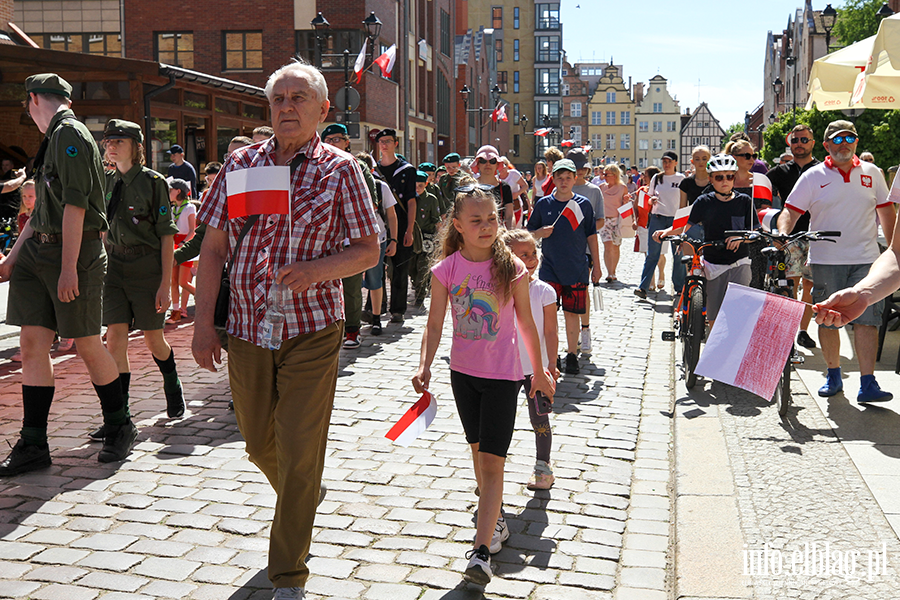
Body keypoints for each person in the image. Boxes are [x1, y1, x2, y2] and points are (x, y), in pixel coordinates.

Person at [192, 59, 380, 600]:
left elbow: (368, 250)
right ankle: (304, 492)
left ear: (323, 110)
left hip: (312, 329)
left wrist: (317, 271)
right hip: (249, 328)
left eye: (300, 98)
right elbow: (213, 249)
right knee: (257, 443)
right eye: (279, 99)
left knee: (299, 447)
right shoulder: (243, 164)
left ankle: (289, 574)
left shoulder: (341, 170)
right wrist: (205, 325)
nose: (287, 107)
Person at [411, 184, 554, 586]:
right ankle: (497, 519)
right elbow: (435, 323)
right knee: (478, 458)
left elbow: (527, 322)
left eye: (492, 218)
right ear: (458, 225)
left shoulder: (511, 267)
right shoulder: (447, 269)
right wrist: (425, 365)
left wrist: (539, 371)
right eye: (476, 220)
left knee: (493, 463)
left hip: (502, 377)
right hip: (463, 376)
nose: (487, 225)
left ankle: (480, 552)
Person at [0, 73, 131, 475]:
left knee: (88, 343)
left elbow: (76, 206)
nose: (29, 114)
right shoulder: (53, 137)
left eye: (28, 106)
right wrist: (12, 258)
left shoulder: (69, 133)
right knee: (32, 343)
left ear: (34, 98)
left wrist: (70, 268)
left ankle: (119, 424)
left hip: (72, 253)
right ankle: (34, 442)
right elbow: (42, 210)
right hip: (40, 251)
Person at [777, 120, 895, 404]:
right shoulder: (813, 176)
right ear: (827, 144)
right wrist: (782, 233)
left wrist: (894, 251)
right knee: (828, 320)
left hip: (867, 261)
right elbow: (790, 212)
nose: (844, 143)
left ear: (856, 142)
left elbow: (887, 212)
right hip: (826, 260)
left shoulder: (872, 173)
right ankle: (833, 375)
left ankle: (868, 383)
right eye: (838, 138)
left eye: (850, 138)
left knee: (868, 321)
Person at [97, 119, 184, 433]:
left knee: (153, 339)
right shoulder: (106, 180)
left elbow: (165, 236)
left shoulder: (153, 181)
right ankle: (120, 417)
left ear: (136, 147)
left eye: (118, 140)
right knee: (114, 339)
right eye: (108, 140)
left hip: (146, 268)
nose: (111, 145)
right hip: (114, 267)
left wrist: (165, 284)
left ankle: (172, 385)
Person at [653, 154, 755, 325]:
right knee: (713, 316)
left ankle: (734, 348)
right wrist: (666, 231)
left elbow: (754, 232)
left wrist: (742, 238)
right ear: (711, 179)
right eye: (719, 177)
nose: (725, 181)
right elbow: (685, 224)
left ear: (734, 178)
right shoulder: (704, 201)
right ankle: (715, 349)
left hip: (740, 262)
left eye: (729, 176)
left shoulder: (744, 201)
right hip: (714, 263)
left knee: (738, 313)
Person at [527, 159, 602, 375]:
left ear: (574, 179)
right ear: (553, 178)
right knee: (548, 314)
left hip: (576, 267)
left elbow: (591, 236)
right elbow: (528, 233)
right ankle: (552, 356)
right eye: (559, 177)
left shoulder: (583, 204)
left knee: (572, 313)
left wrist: (597, 265)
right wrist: (540, 233)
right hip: (550, 268)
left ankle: (571, 354)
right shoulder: (543, 204)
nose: (564, 181)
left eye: (568, 177)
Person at [505, 229, 560, 490]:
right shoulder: (500, 291)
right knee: (500, 421)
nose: (531, 259)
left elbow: (551, 331)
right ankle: (492, 471)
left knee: (540, 419)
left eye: (533, 254)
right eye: (523, 254)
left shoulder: (544, 292)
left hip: (534, 371)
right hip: (503, 369)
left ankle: (543, 467)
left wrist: (551, 365)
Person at [321, 123, 378, 349]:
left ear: (347, 142)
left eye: (338, 139)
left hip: (350, 237)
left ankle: (352, 331)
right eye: (329, 139)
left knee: (351, 286)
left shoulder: (359, 167)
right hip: (323, 238)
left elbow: (370, 204)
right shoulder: (317, 165)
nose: (333, 143)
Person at [767, 125, 820, 349]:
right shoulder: (779, 172)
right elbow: (760, 195)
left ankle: (803, 331)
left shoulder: (822, 169)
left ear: (812, 143)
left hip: (818, 235)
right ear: (790, 143)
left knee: (809, 286)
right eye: (795, 140)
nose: (799, 143)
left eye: (804, 140)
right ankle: (787, 333)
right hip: (790, 236)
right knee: (790, 285)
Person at [375, 129, 417, 324]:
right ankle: (377, 307)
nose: (384, 145)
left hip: (400, 224)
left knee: (400, 268)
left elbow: (411, 201)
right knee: (377, 268)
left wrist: (409, 229)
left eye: (388, 141)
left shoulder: (407, 170)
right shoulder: (373, 170)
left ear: (395, 144)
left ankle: (398, 310)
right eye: (381, 141)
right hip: (379, 226)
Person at [357, 152, 398, 336]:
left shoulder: (381, 187)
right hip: (351, 241)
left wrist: (394, 240)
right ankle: (352, 320)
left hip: (377, 239)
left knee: (375, 279)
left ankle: (376, 318)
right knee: (353, 283)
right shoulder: (350, 186)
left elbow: (391, 215)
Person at [569, 149, 604, 355]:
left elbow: (600, 219)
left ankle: (585, 330)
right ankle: (572, 335)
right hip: (565, 249)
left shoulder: (593, 191)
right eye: (576, 168)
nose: (580, 172)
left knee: (582, 289)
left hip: (585, 248)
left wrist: (585, 228)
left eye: (582, 167)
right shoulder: (560, 188)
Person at [636, 150, 685, 298]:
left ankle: (679, 287)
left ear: (676, 163)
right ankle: (643, 287)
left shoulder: (681, 178)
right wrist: (651, 201)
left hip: (675, 219)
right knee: (652, 254)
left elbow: (685, 199)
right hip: (658, 218)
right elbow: (649, 197)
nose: (667, 164)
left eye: (669, 161)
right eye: (664, 161)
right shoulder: (657, 178)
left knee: (678, 255)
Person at [165, 178, 195, 324]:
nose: (169, 193)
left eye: (171, 190)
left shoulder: (190, 208)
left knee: (183, 282)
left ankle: (204, 301)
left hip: (185, 245)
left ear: (178, 191)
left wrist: (183, 243)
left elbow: (192, 230)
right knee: (173, 281)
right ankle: (175, 311)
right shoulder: (172, 209)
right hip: (174, 243)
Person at [411, 170, 442, 307]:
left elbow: (436, 219)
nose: (417, 189)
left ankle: (420, 294)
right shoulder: (409, 198)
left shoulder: (431, 199)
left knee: (423, 266)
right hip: (411, 236)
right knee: (411, 266)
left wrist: (440, 238)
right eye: (415, 186)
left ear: (426, 184)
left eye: (421, 186)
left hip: (426, 236)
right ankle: (416, 284)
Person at [598, 164, 631, 283]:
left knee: (616, 247)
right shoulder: (601, 187)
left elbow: (625, 206)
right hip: (605, 220)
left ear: (615, 175)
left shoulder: (622, 188)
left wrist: (626, 201)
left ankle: (614, 271)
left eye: (607, 174)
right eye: (604, 174)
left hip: (617, 220)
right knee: (607, 246)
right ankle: (609, 273)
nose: (604, 176)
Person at [473, 145, 514, 230]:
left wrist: (510, 233)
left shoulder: (504, 187)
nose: (488, 164)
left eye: (492, 161)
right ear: (478, 164)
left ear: (497, 164)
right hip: (475, 233)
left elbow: (509, 215)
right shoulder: (471, 186)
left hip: (498, 233)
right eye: (483, 160)